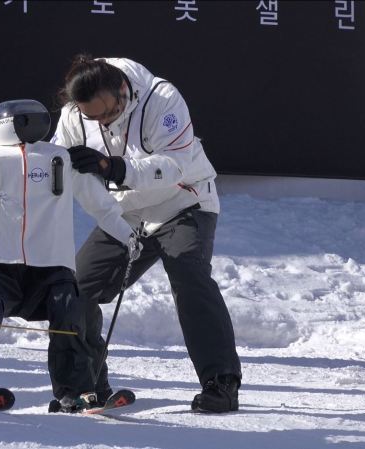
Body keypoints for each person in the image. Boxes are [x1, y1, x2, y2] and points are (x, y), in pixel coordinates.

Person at [0, 99, 138, 412]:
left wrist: (128, 235)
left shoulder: (59, 158)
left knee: (73, 307)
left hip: (49, 264)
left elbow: (101, 205)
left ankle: (82, 391)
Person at [52, 55, 242, 413]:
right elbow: (57, 164)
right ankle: (87, 384)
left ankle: (222, 383)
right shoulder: (74, 116)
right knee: (75, 288)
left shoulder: (162, 97)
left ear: (122, 88)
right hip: (125, 213)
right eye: (93, 117)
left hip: (184, 201)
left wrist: (113, 167)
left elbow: (176, 165)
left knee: (189, 275)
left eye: (108, 112)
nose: (102, 121)